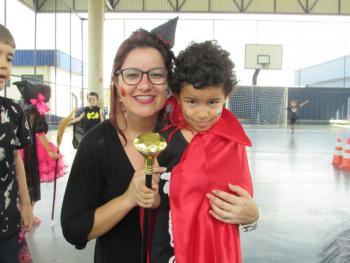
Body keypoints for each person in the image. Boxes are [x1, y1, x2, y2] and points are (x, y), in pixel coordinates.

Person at [60, 18, 177, 262]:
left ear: (168, 85)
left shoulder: (183, 139)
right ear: (116, 83)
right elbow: (73, 228)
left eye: (156, 74)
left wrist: (248, 215)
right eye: (132, 75)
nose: (144, 85)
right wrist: (127, 199)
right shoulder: (96, 144)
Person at [151, 41, 259, 263]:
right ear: (178, 96)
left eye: (213, 102)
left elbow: (242, 202)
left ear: (226, 96)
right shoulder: (165, 139)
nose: (202, 114)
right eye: (192, 101)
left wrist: (252, 216)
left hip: (218, 249)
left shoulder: (232, 142)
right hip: (170, 249)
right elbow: (151, 202)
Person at [0, 24, 34, 263]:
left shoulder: (13, 111)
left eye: (9, 58)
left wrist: (26, 202)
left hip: (8, 224)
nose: (4, 64)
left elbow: (16, 159)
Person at [14, 80, 66, 225]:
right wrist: (50, 151)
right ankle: (28, 215)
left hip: (20, 149)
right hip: (32, 151)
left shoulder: (22, 109)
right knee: (32, 180)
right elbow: (41, 135)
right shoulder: (38, 113)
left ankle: (20, 212)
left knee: (21, 180)